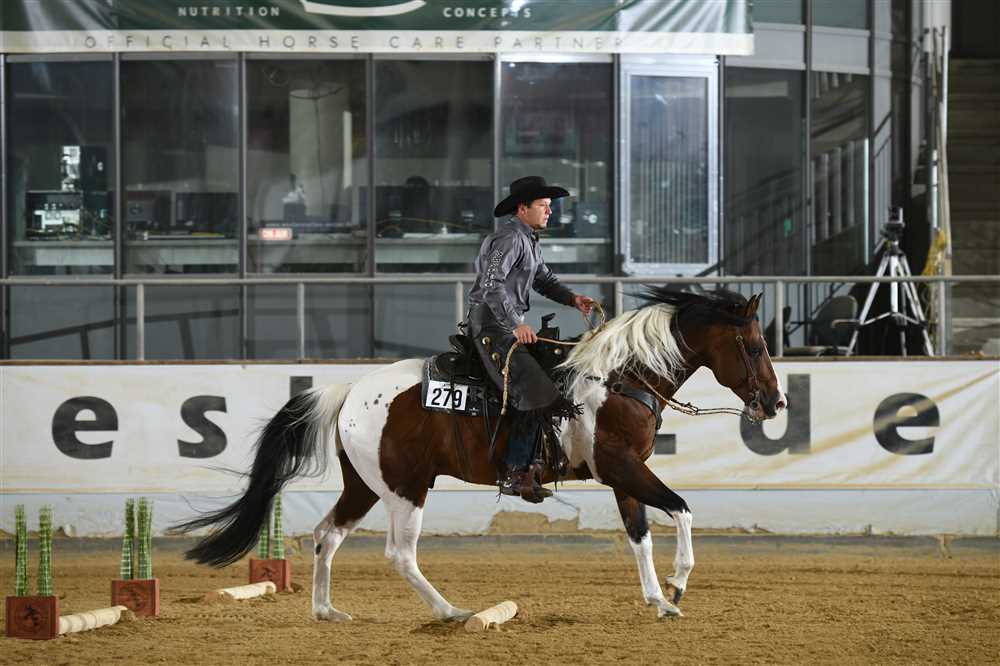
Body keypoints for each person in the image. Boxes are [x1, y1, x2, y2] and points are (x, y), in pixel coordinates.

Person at [466, 176, 595, 503]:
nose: (550, 211)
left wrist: (571, 299)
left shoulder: (528, 240)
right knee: (536, 388)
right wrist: (515, 324)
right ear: (522, 208)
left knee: (549, 375)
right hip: (491, 326)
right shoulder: (509, 239)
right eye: (543, 205)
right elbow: (491, 285)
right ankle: (515, 470)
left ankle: (534, 461)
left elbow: (543, 279)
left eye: (550, 206)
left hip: (501, 325)